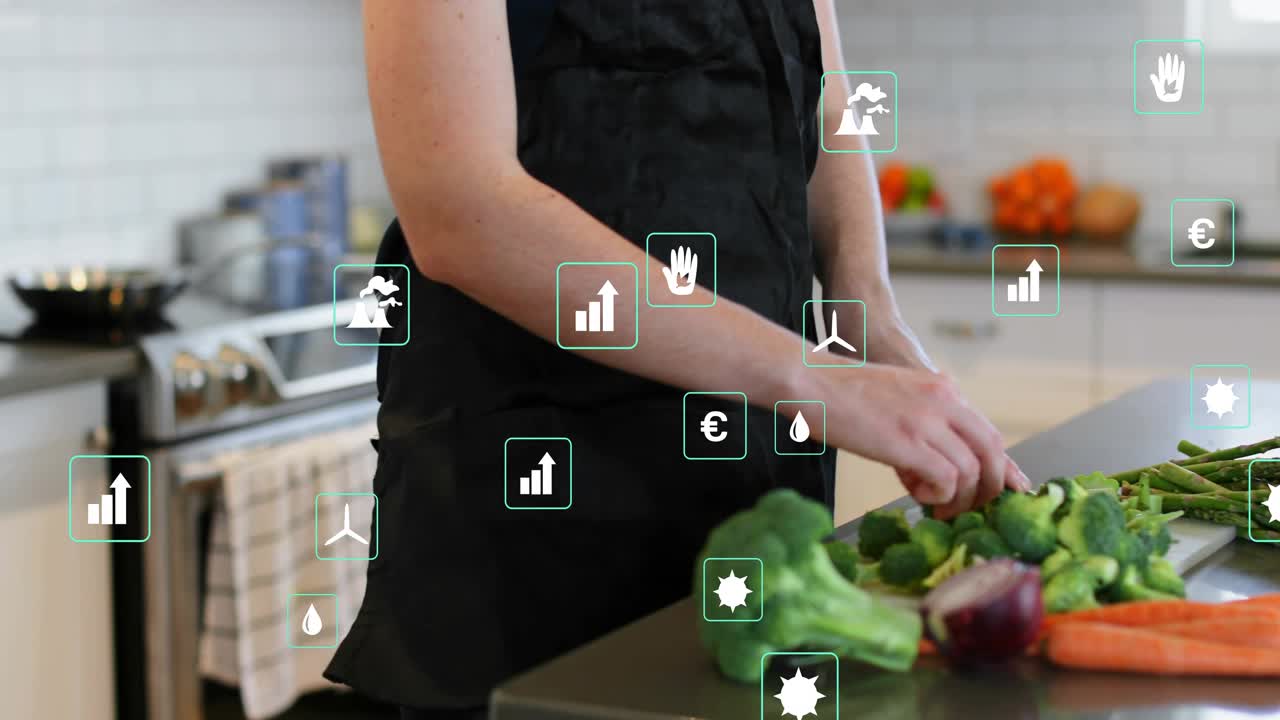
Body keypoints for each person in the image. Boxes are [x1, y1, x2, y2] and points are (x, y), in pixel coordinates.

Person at [326, 2, 1029, 718]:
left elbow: (828, 104)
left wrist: (875, 326)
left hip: (758, 495)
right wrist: (817, 377)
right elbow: (460, 209)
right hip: (534, 527)